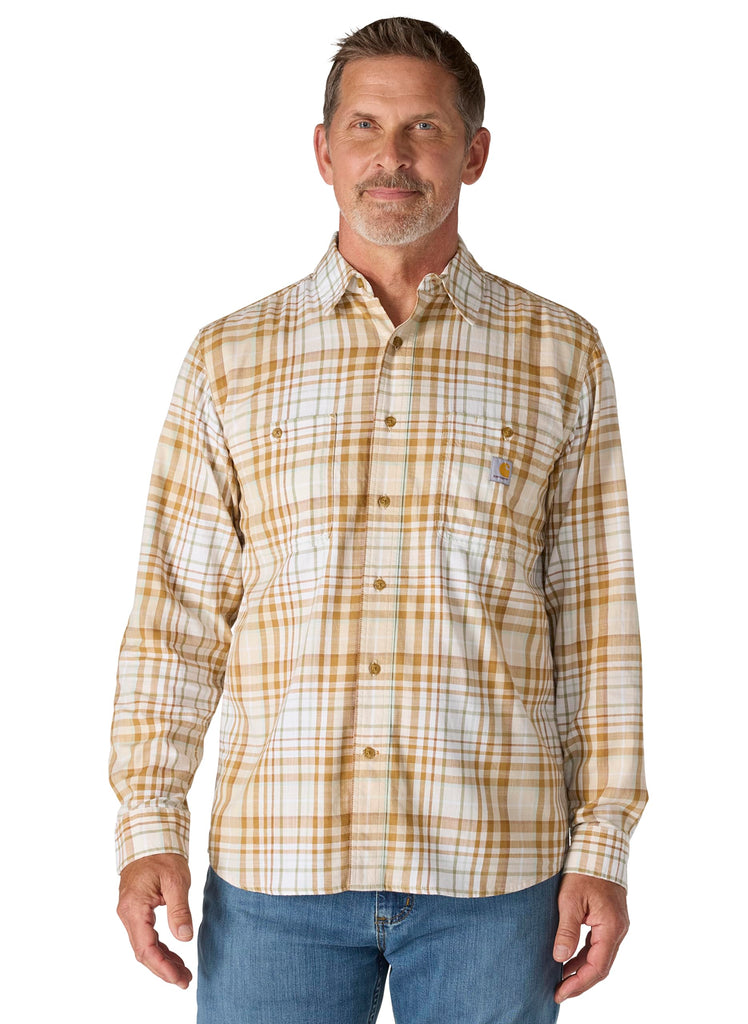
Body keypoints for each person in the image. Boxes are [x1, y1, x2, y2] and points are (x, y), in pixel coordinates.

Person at [109, 16, 647, 1024]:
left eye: (423, 128)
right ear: (324, 151)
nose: (390, 157)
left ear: (473, 152)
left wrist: (603, 844)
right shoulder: (230, 359)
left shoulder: (559, 354)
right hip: (278, 868)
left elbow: (594, 620)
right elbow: (177, 616)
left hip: (497, 873)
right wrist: (148, 826)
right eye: (364, 126)